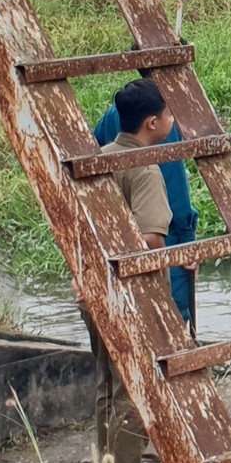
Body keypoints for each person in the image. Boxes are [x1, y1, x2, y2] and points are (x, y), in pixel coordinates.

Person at [90, 78, 174, 463]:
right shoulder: (144, 168)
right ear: (152, 122)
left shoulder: (100, 159)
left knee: (106, 385)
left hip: (93, 289)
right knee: (131, 394)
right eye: (169, 114)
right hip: (128, 297)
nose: (172, 121)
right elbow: (150, 239)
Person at [91, 95, 199, 335]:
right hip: (163, 240)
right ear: (153, 122)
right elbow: (175, 200)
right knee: (168, 328)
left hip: (106, 262)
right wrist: (184, 247)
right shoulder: (158, 135)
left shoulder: (119, 113)